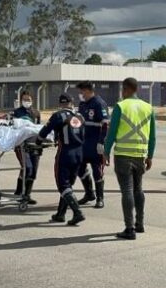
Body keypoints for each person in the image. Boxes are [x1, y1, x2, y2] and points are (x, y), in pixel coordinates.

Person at [103, 77, 156, 240]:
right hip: (140, 155)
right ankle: (140, 224)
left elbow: (111, 132)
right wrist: (150, 155)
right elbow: (152, 135)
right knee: (138, 189)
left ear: (125, 89)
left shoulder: (121, 106)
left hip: (123, 156)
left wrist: (106, 151)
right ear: (137, 89)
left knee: (127, 191)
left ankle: (129, 228)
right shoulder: (148, 107)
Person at [37, 93, 86, 226]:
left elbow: (45, 130)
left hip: (65, 153)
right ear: (72, 102)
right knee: (68, 185)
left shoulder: (58, 116)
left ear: (60, 104)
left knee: (63, 185)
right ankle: (60, 214)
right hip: (79, 153)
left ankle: (77, 212)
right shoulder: (80, 116)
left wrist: (38, 140)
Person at [76, 81, 109, 209]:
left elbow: (105, 124)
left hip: (96, 144)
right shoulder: (83, 105)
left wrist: (102, 142)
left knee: (97, 171)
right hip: (83, 144)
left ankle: (100, 198)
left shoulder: (99, 103)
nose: (80, 94)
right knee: (80, 168)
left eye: (82, 91)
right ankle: (89, 193)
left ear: (88, 90)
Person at [12, 91, 41, 205]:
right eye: (24, 99)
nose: (26, 101)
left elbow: (38, 128)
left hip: (34, 145)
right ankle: (22, 194)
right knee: (27, 168)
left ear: (32, 100)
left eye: (28, 99)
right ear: (21, 100)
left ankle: (25, 194)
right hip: (22, 145)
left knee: (32, 171)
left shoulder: (36, 113)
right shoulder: (17, 113)